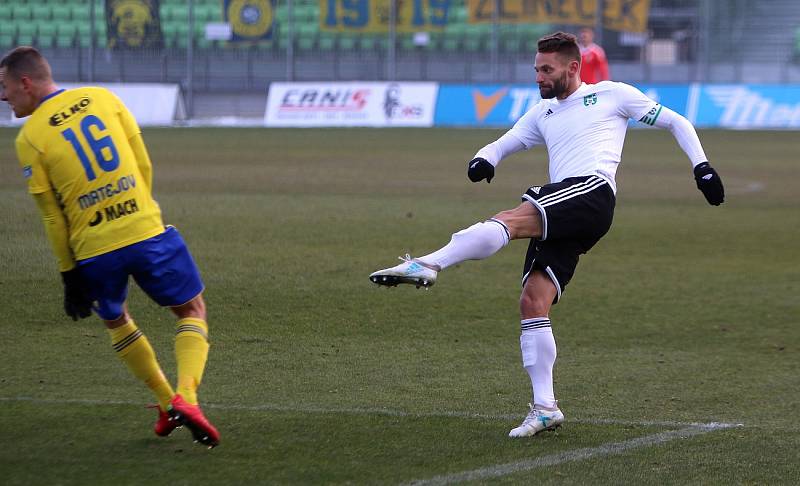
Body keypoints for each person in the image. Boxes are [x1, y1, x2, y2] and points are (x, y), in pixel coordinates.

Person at [369, 32, 724, 438]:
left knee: (513, 217)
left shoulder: (613, 95)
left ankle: (429, 263)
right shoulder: (543, 113)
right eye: (536, 69)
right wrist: (485, 157)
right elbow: (507, 142)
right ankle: (545, 408)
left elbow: (675, 120)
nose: (539, 76)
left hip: (591, 192)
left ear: (573, 68)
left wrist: (702, 167)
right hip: (567, 207)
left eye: (546, 69)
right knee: (533, 301)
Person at [1, 46, 220, 448]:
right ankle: (186, 398)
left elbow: (52, 217)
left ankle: (163, 401)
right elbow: (143, 164)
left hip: (93, 248)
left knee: (115, 320)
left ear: (25, 82)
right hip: (145, 229)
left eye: (4, 86)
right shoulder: (104, 98)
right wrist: (138, 213)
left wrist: (68, 273)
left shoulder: (29, 137)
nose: (3, 96)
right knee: (191, 309)